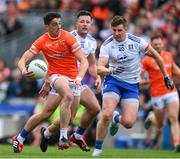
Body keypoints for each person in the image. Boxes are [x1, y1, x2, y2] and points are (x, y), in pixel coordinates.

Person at [92, 16, 174, 157]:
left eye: (119, 30)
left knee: (129, 123)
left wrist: (166, 76)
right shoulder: (107, 44)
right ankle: (98, 149)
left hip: (132, 85)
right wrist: (109, 71)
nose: (116, 33)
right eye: (114, 30)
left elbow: (157, 56)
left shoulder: (137, 42)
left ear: (126, 29)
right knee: (106, 114)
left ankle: (117, 118)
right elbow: (99, 68)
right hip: (113, 81)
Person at [12, 12, 88, 153]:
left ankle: (34, 135)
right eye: (54, 24)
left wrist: (79, 78)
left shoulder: (68, 37)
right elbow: (23, 59)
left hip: (73, 78)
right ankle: (63, 137)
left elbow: (84, 61)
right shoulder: (41, 41)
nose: (58, 27)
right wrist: (23, 71)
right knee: (68, 96)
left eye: (59, 23)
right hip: (56, 77)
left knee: (58, 115)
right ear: (46, 26)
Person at [39, 10, 101, 152]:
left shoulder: (91, 41)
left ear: (90, 24)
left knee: (94, 108)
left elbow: (91, 64)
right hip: (63, 79)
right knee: (50, 112)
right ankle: (57, 135)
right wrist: (48, 80)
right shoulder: (67, 36)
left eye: (87, 22)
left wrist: (97, 77)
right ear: (76, 24)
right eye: (82, 21)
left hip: (78, 81)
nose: (85, 24)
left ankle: (72, 135)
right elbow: (49, 55)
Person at [141, 33, 180, 152]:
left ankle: (177, 144)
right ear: (151, 46)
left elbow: (175, 70)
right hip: (156, 94)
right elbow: (140, 75)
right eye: (155, 44)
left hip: (171, 91)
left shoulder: (168, 55)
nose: (158, 46)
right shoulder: (147, 60)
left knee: (174, 118)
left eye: (159, 44)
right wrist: (142, 82)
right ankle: (151, 118)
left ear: (163, 44)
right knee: (159, 123)